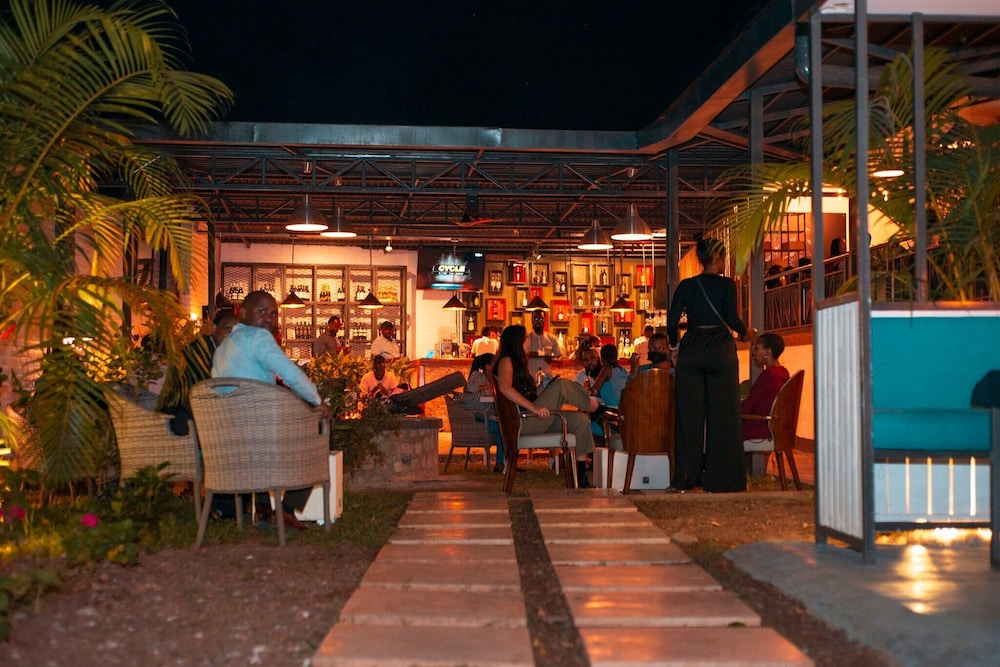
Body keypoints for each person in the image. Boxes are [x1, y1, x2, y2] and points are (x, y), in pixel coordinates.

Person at [212, 290, 331, 529]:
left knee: (266, 422)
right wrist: (318, 401)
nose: (269, 318)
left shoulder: (223, 347)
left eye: (274, 314)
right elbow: (290, 373)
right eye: (262, 311)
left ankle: (264, 509)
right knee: (321, 425)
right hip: (260, 434)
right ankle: (286, 510)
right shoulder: (259, 338)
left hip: (227, 436)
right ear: (242, 312)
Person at [667, 236, 750, 493]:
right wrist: (745, 331)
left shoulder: (687, 285)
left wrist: (674, 347)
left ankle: (685, 478)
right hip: (720, 351)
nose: (724, 262)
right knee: (723, 416)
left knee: (688, 417)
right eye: (723, 257)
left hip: (692, 349)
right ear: (717, 258)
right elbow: (731, 318)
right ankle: (722, 480)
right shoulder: (727, 285)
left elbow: (671, 322)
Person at [493, 324, 600, 487]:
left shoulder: (518, 363)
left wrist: (542, 392)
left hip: (531, 419)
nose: (529, 341)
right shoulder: (506, 360)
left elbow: (522, 392)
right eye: (526, 338)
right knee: (562, 385)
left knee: (580, 420)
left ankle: (580, 478)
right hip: (522, 423)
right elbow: (504, 388)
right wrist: (534, 408)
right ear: (516, 341)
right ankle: (597, 409)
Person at [159, 310, 238, 436]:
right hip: (178, 414)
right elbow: (207, 386)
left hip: (198, 410)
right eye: (227, 328)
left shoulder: (220, 352)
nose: (231, 335)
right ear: (214, 329)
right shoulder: (199, 349)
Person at [741, 332, 789, 440]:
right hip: (775, 429)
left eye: (757, 349)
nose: (753, 353)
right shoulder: (783, 373)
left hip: (759, 430)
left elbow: (746, 406)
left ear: (767, 352)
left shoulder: (768, 375)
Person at [460, 353, 504, 472]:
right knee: (502, 429)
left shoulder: (485, 377)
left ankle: (503, 462)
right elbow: (469, 388)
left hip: (483, 415)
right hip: (478, 415)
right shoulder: (477, 375)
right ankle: (500, 463)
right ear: (487, 365)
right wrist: (488, 386)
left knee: (503, 426)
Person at [526, 309, 562, 380]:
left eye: (541, 319)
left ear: (545, 321)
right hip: (530, 378)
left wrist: (553, 360)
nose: (538, 321)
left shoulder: (551, 338)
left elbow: (560, 357)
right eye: (535, 319)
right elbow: (519, 356)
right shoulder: (527, 338)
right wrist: (528, 355)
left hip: (546, 378)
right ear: (532, 320)